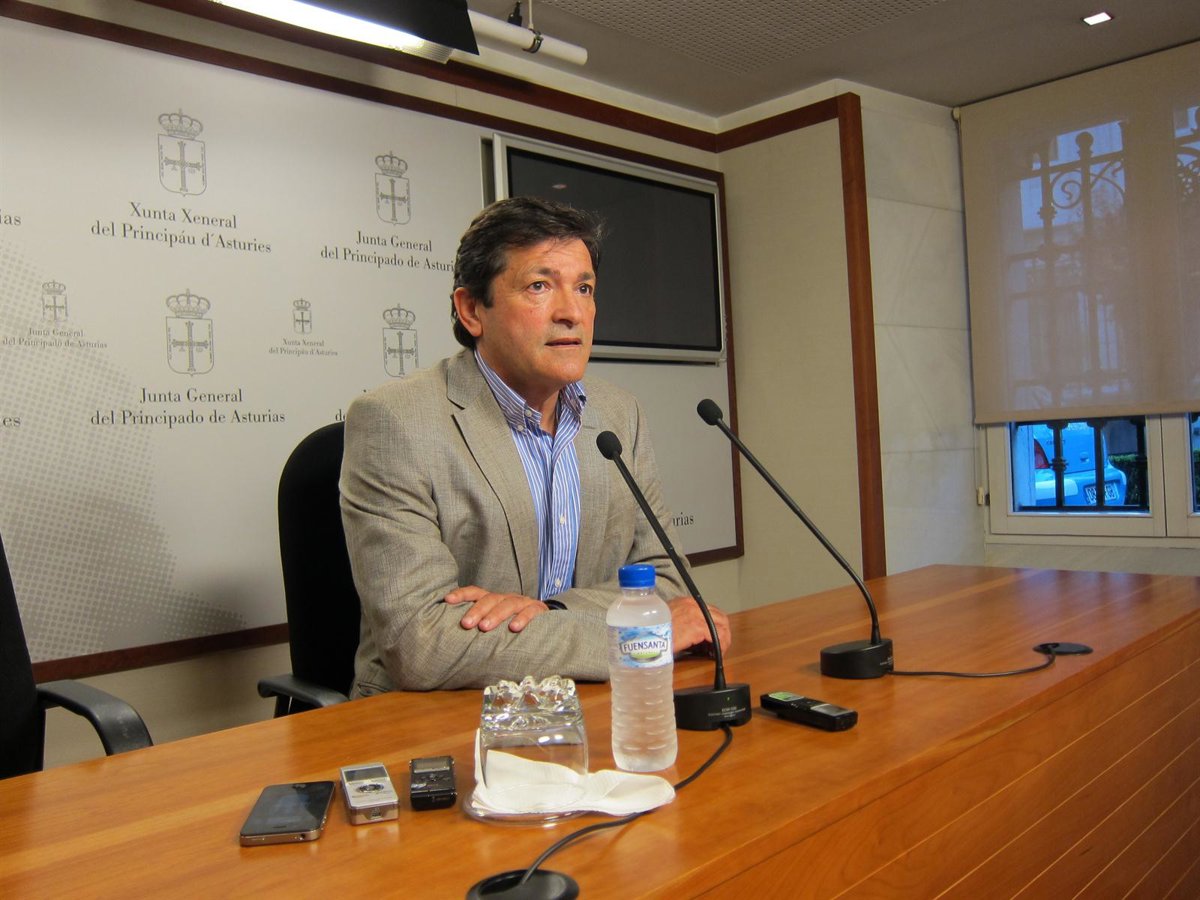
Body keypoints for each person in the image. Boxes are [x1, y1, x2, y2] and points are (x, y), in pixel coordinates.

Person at [340, 196, 731, 694]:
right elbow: (422, 643)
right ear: (471, 310)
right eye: (539, 286)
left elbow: (668, 582)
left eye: (585, 288)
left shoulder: (618, 415)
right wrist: (634, 636)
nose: (572, 313)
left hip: (586, 701)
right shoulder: (396, 421)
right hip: (438, 714)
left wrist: (549, 611)